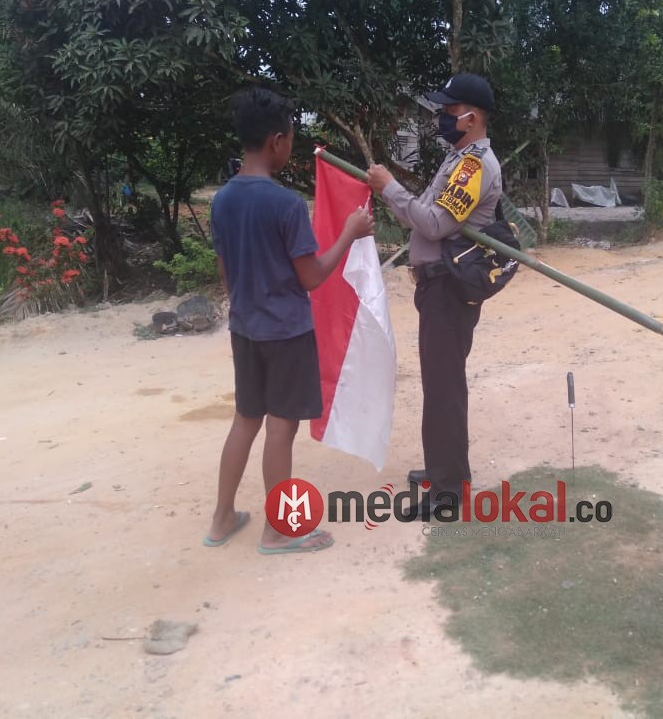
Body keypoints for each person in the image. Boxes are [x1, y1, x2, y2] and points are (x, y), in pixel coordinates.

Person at [204, 86, 374, 553]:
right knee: (281, 429)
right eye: (291, 137)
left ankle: (221, 519)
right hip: (286, 332)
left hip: (246, 328)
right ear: (277, 139)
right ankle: (278, 530)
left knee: (245, 420)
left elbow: (227, 274)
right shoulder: (285, 204)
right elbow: (313, 276)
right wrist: (348, 233)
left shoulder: (223, 201)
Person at [366, 73, 502, 518]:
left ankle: (447, 494)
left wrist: (388, 187)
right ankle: (445, 471)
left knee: (443, 387)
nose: (442, 117)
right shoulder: (458, 158)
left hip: (449, 286)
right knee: (440, 383)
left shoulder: (474, 166)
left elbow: (434, 224)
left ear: (472, 117)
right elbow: (424, 218)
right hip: (438, 283)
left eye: (449, 110)